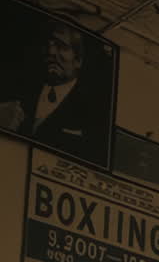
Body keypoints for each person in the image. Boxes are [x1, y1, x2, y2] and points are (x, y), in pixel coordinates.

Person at [0, 22, 107, 164]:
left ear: (78, 60)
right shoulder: (18, 88)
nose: (50, 51)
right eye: (48, 45)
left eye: (61, 46)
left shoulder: (93, 109)